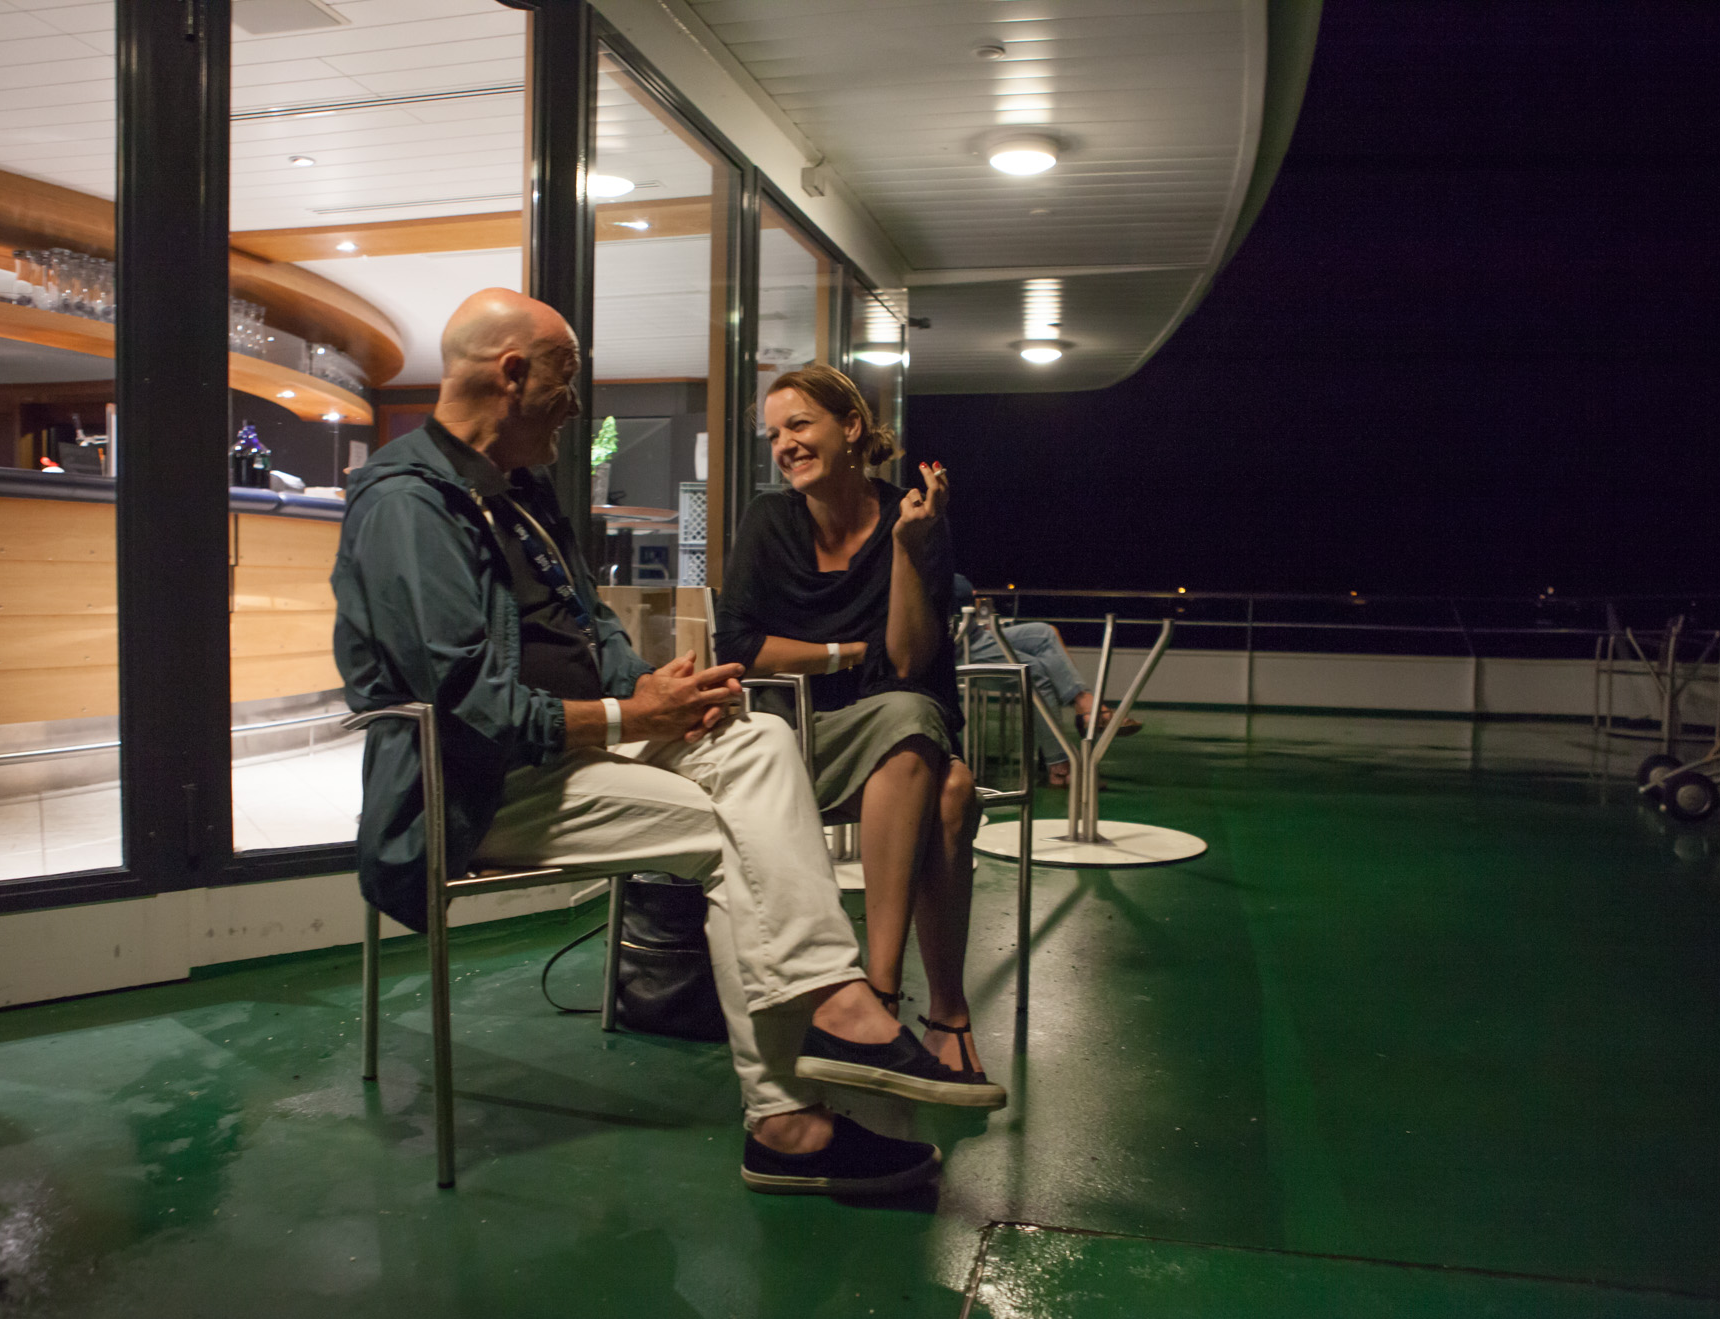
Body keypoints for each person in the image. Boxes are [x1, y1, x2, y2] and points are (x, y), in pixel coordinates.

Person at [331, 289, 992, 1198]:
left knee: (758, 737)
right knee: (731, 832)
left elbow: (589, 627)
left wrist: (656, 689)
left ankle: (837, 1004)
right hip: (477, 782)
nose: (576, 402)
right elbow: (466, 704)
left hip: (583, 747)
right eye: (565, 378)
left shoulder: (518, 493)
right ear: (512, 373)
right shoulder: (408, 505)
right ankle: (789, 1117)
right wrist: (628, 718)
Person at [715, 365, 1004, 1109]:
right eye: (773, 434)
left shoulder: (914, 518)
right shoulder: (769, 520)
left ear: (850, 428)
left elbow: (907, 661)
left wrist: (908, 547)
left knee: (949, 783)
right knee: (922, 742)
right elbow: (739, 647)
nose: (783, 444)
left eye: (798, 424)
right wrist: (846, 653)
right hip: (793, 741)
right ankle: (890, 1001)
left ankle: (928, 1012)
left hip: (901, 740)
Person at [954, 574, 1142, 786]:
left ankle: (1084, 703)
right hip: (959, 649)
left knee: (1045, 633)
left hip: (976, 635)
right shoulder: (928, 567)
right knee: (1034, 672)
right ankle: (1059, 764)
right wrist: (967, 593)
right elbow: (953, 592)